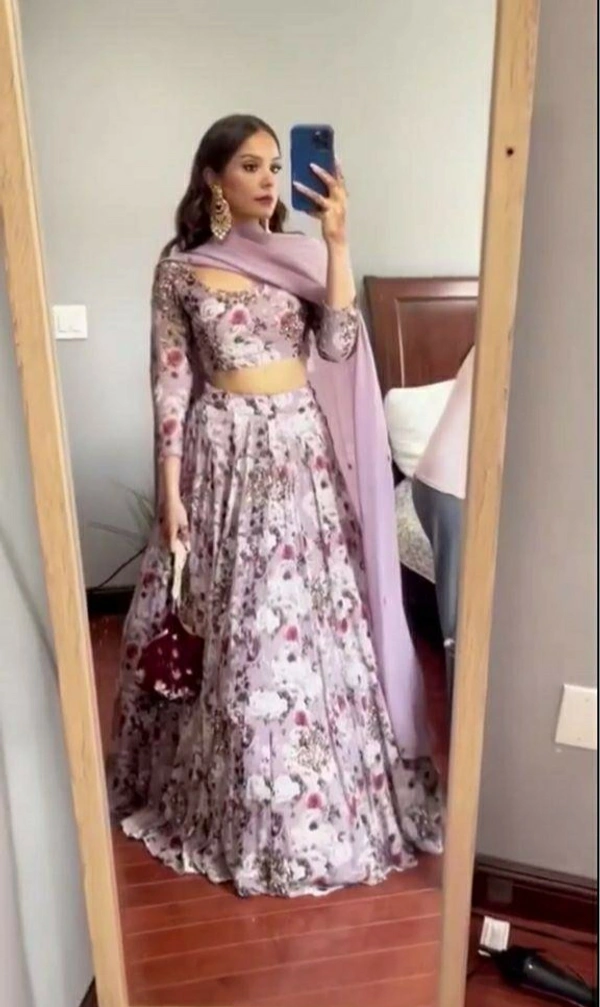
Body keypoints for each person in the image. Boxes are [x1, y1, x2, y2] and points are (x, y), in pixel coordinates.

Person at [108, 114, 443, 898]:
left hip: (298, 453)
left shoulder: (300, 257)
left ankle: (321, 801)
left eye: (273, 165)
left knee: (305, 622)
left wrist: (337, 243)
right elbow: (170, 381)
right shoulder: (181, 270)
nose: (266, 179)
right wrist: (169, 489)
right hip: (222, 457)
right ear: (213, 179)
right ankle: (243, 802)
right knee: (240, 623)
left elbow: (338, 346)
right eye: (249, 166)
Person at [412, 347, 475, 705]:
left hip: (439, 481)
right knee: (459, 623)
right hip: (450, 487)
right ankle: (460, 721)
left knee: (460, 615)